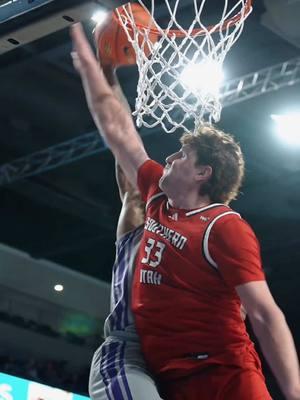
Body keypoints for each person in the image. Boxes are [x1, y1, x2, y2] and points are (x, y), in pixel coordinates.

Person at [71, 23, 300, 400]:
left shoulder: (221, 227)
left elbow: (264, 312)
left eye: (180, 155)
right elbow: (120, 133)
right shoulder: (149, 201)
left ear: (202, 173)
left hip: (218, 364)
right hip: (137, 350)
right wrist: (103, 72)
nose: (169, 158)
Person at [89, 160, 163, 400]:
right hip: (129, 347)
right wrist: (125, 129)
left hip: (175, 357)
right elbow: (132, 192)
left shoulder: (203, 237)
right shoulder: (137, 227)